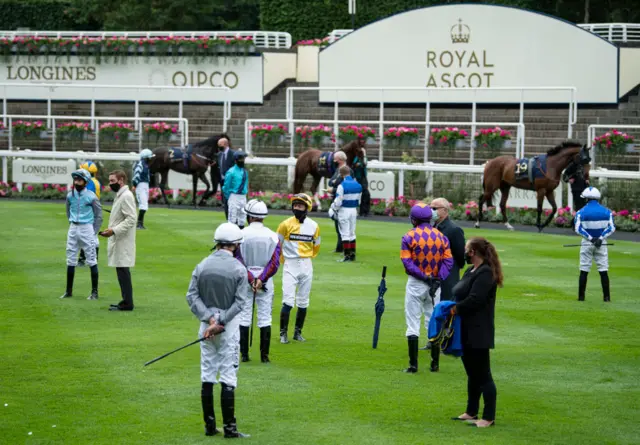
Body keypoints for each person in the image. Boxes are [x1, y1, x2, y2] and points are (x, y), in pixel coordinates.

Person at [186, 222, 250, 438]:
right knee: (228, 376)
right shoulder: (239, 269)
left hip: (205, 328)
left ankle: (210, 426)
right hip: (228, 328)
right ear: (235, 245)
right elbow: (240, 303)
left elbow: (191, 296)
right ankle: (230, 429)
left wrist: (209, 318)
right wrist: (220, 320)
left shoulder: (202, 265)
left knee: (207, 373)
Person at [450, 237, 502, 428]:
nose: (464, 252)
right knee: (472, 373)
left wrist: (455, 308)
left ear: (473, 252)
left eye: (466, 249)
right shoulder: (470, 270)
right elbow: (460, 291)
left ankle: (488, 417)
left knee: (483, 374)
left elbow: (475, 299)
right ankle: (471, 411)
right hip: (466, 328)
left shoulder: (486, 273)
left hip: (479, 330)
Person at [401, 202, 453, 373]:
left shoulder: (409, 237)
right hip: (435, 285)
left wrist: (425, 276)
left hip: (416, 283)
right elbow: (448, 260)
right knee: (433, 320)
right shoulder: (441, 236)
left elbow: (407, 263)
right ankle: (434, 364)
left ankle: (413, 365)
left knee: (412, 322)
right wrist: (438, 278)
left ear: (414, 219)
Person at [235, 200, 281, 363]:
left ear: (249, 216)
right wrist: (261, 280)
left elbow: (237, 259)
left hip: (245, 280)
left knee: (244, 316)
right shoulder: (273, 236)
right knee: (264, 317)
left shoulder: (240, 234)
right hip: (266, 280)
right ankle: (264, 356)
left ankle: (244, 355)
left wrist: (250, 278)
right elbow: (275, 263)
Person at [419, 198, 466, 350]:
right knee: (432, 306)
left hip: (448, 274)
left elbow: (460, 255)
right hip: (433, 274)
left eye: (435, 208)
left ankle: (445, 340)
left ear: (445, 210)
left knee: (444, 306)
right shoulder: (431, 227)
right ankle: (434, 339)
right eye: (430, 207)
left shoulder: (453, 230)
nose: (431, 210)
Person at [276, 193, 321, 344]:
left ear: (307, 207)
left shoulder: (314, 226)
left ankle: (297, 333)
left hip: (307, 264)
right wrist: (284, 261)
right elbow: (277, 246)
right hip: (290, 264)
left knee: (303, 301)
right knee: (288, 301)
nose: (297, 208)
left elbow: (316, 247)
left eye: (300, 205)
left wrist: (306, 258)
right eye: (295, 205)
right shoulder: (285, 224)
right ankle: (283, 334)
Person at [60, 169, 102, 301]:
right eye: (75, 179)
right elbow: (68, 211)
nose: (77, 182)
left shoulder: (91, 196)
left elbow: (99, 216)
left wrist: (93, 231)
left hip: (87, 228)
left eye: (79, 180)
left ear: (85, 182)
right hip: (73, 227)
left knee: (91, 259)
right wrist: (72, 223)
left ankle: (94, 292)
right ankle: (68, 291)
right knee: (70, 259)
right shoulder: (69, 196)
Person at [100, 170, 137, 312]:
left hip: (122, 238)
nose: (110, 184)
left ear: (121, 180)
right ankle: (126, 301)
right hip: (119, 237)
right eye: (109, 181)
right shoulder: (121, 195)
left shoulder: (126, 196)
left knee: (123, 270)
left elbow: (132, 218)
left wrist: (114, 230)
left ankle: (128, 303)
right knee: (121, 269)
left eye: (112, 181)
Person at [574, 186, 615, 302]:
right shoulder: (607, 212)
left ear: (586, 199)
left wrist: (591, 239)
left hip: (587, 243)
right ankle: (606, 298)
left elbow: (578, 229)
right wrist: (600, 238)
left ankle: (581, 297)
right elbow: (611, 228)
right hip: (601, 244)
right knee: (603, 269)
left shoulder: (580, 212)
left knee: (584, 269)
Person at [329, 165, 362, 262]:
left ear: (341, 174)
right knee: (352, 232)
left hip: (344, 210)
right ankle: (352, 255)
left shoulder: (341, 186)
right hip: (353, 210)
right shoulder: (358, 185)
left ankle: (347, 256)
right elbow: (359, 201)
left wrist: (333, 207)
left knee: (344, 233)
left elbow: (338, 202)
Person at [327, 151, 354, 253]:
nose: (334, 161)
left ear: (340, 159)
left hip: (344, 201)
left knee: (344, 225)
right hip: (336, 199)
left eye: (335, 159)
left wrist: (334, 188)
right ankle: (340, 247)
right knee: (338, 224)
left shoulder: (348, 171)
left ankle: (346, 248)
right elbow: (331, 182)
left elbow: (344, 186)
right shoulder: (338, 170)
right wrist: (334, 184)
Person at [77, 160, 102, 266]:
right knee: (91, 235)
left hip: (89, 212)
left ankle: (84, 259)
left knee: (88, 235)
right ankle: (89, 258)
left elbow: (86, 196)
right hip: (93, 210)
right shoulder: (95, 181)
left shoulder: (90, 182)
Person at [222, 151, 249, 229]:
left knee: (242, 218)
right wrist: (229, 197)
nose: (243, 161)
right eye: (241, 159)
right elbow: (226, 186)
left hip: (243, 197)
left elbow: (246, 185)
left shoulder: (244, 171)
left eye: (243, 159)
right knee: (232, 218)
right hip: (234, 196)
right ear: (236, 160)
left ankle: (241, 236)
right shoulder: (231, 172)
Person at [132, 148, 154, 230]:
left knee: (145, 205)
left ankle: (140, 224)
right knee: (143, 205)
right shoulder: (140, 164)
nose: (151, 159)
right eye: (150, 157)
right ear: (146, 157)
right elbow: (136, 175)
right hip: (140, 185)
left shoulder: (145, 164)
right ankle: (139, 224)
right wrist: (134, 184)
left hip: (145, 185)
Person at [217, 137, 236, 220]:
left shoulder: (233, 154)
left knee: (231, 201)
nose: (218, 147)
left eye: (220, 145)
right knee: (225, 202)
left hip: (231, 182)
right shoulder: (219, 155)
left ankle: (234, 219)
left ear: (225, 144)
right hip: (223, 182)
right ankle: (228, 219)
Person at [351, 137, 370, 217]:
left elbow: (365, 163)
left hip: (363, 176)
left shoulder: (363, 154)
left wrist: (364, 156)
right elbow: (354, 165)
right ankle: (362, 211)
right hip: (358, 177)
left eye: (363, 141)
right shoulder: (357, 156)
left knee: (366, 194)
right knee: (364, 193)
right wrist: (357, 165)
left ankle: (364, 211)